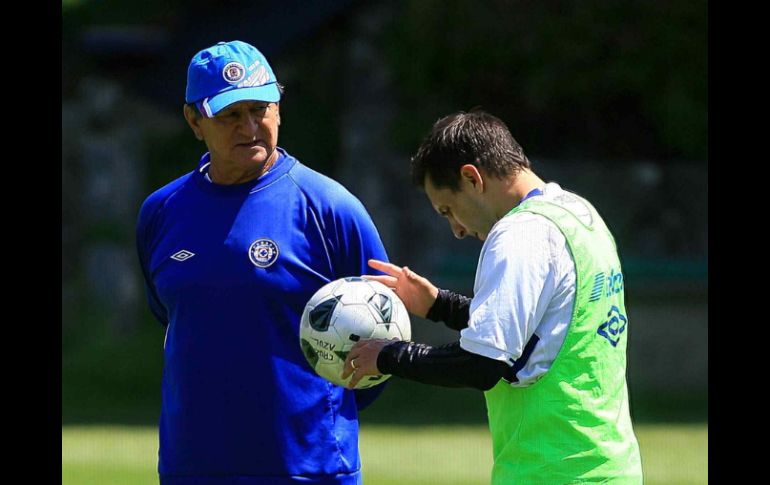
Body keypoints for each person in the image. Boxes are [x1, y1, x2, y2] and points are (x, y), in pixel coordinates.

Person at [135, 40, 389, 485]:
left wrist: (317, 423)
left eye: (260, 109)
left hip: (310, 471)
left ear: (279, 109)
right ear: (194, 121)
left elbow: (386, 341)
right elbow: (174, 315)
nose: (249, 126)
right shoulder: (161, 212)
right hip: (191, 469)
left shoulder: (330, 208)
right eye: (230, 115)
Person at [342, 110, 643, 483]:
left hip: (554, 471)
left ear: (472, 178)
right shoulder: (577, 214)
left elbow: (482, 363)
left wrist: (388, 356)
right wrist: (438, 305)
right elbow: (534, 328)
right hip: (608, 465)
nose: (456, 229)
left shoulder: (520, 234)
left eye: (449, 210)